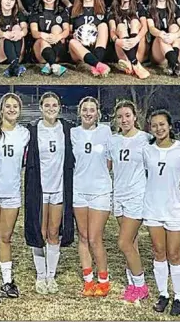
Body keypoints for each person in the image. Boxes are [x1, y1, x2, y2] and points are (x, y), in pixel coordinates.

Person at [24, 92, 75, 294]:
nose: (51, 108)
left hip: (59, 188)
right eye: (47, 105)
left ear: (59, 107)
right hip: (39, 188)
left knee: (54, 233)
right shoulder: (33, 130)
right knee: (40, 232)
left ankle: (51, 277)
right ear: (41, 107)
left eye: (55, 105)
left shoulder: (67, 129)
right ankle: (40, 276)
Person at [0, 93, 30, 303]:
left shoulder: (25, 134)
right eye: (7, 106)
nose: (11, 109)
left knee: (6, 238)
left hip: (12, 192)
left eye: (15, 106)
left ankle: (7, 281)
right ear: (1, 109)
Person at [142, 109, 180, 316]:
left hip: (175, 207)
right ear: (150, 128)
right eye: (154, 125)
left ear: (169, 126)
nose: (159, 128)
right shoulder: (147, 150)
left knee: (174, 253)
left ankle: (179, 296)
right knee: (159, 252)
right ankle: (163, 294)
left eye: (162, 124)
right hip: (153, 207)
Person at [71, 97, 113, 297]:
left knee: (96, 238)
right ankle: (88, 281)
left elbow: (111, 160)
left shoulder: (105, 131)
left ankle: (103, 281)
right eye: (85, 109)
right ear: (79, 112)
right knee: (83, 236)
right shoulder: (73, 133)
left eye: (92, 110)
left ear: (98, 113)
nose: (88, 113)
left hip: (100, 191)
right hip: (79, 190)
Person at [110, 100, 151, 303]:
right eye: (120, 116)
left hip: (137, 196)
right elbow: (108, 166)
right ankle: (132, 284)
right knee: (131, 244)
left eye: (127, 115)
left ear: (135, 116)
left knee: (123, 242)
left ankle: (142, 286)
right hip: (119, 196)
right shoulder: (113, 140)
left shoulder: (146, 139)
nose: (124, 119)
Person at [108, 0, 150, 79]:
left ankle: (132, 63)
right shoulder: (113, 9)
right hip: (122, 48)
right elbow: (112, 30)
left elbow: (145, 28)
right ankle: (134, 64)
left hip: (138, 45)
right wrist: (117, 40)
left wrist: (136, 39)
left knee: (135, 22)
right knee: (121, 26)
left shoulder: (139, 6)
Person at [69, 0, 110, 77]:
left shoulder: (103, 11)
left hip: (95, 48)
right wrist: (74, 35)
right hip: (79, 51)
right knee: (72, 42)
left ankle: (96, 62)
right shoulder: (72, 10)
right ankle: (97, 65)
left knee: (103, 26)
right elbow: (68, 32)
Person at [147, 0, 180, 76]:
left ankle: (173, 63)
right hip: (158, 53)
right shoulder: (149, 9)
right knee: (161, 36)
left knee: (174, 27)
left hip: (175, 50)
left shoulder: (175, 8)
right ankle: (175, 64)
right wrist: (160, 34)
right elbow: (151, 28)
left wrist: (174, 35)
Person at [29, 0, 70, 76]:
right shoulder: (36, 11)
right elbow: (34, 32)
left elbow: (66, 31)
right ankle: (54, 65)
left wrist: (58, 36)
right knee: (43, 41)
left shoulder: (62, 11)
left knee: (56, 28)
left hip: (58, 48)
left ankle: (50, 64)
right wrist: (44, 35)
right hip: (40, 51)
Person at [0, 0, 28, 77]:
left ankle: (14, 65)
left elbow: (25, 28)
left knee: (17, 28)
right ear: (1, 0)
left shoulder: (18, 14)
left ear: (15, 2)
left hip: (17, 51)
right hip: (0, 53)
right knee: (7, 36)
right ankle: (15, 65)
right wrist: (5, 34)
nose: (8, 2)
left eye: (12, 0)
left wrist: (20, 34)